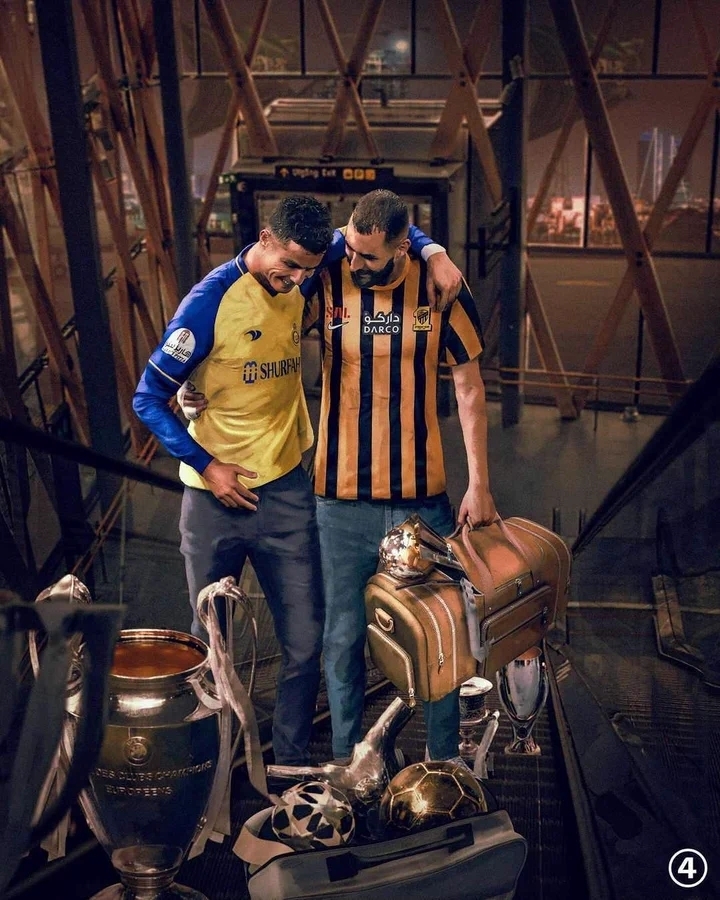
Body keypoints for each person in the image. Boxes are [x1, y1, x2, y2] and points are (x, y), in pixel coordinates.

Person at [133, 194, 462, 766]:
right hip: (212, 499)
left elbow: (381, 227)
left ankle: (286, 762)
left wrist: (434, 252)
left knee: (307, 644)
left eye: (307, 272)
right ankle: (209, 766)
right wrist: (207, 465)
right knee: (211, 648)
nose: (296, 282)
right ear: (264, 238)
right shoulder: (207, 305)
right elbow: (148, 398)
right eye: (287, 267)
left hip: (286, 492)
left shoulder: (312, 264)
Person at [306, 190, 497, 762]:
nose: (353, 260)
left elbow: (469, 390)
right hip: (339, 501)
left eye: (368, 255)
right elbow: (259, 307)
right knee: (342, 639)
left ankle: (442, 764)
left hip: (421, 502)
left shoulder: (440, 290)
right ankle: (351, 762)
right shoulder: (326, 279)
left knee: (437, 636)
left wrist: (480, 484)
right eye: (350, 248)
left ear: (400, 248)